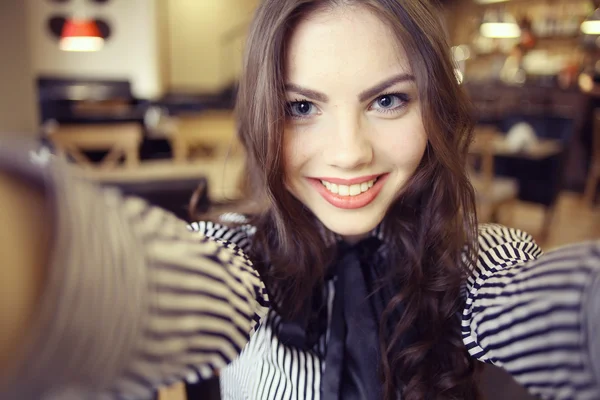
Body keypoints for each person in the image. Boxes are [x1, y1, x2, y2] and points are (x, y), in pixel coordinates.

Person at [0, 0, 598, 399]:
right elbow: (131, 293)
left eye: (387, 100)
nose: (348, 153)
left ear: (434, 107)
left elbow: (568, 316)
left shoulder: (478, 260)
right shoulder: (235, 254)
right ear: (264, 115)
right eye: (301, 107)